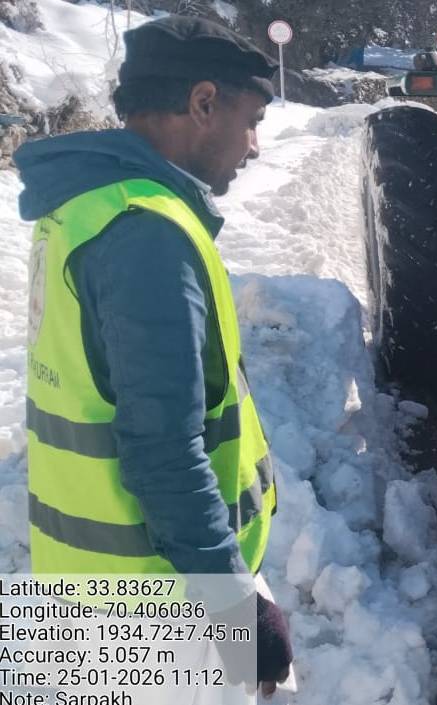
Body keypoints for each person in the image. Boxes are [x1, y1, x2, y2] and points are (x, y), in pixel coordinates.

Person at [15, 16, 291, 697]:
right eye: (250, 119)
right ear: (202, 103)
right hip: (160, 610)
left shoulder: (88, 206)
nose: (254, 146)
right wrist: (235, 611)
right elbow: (164, 450)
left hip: (100, 594)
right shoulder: (147, 236)